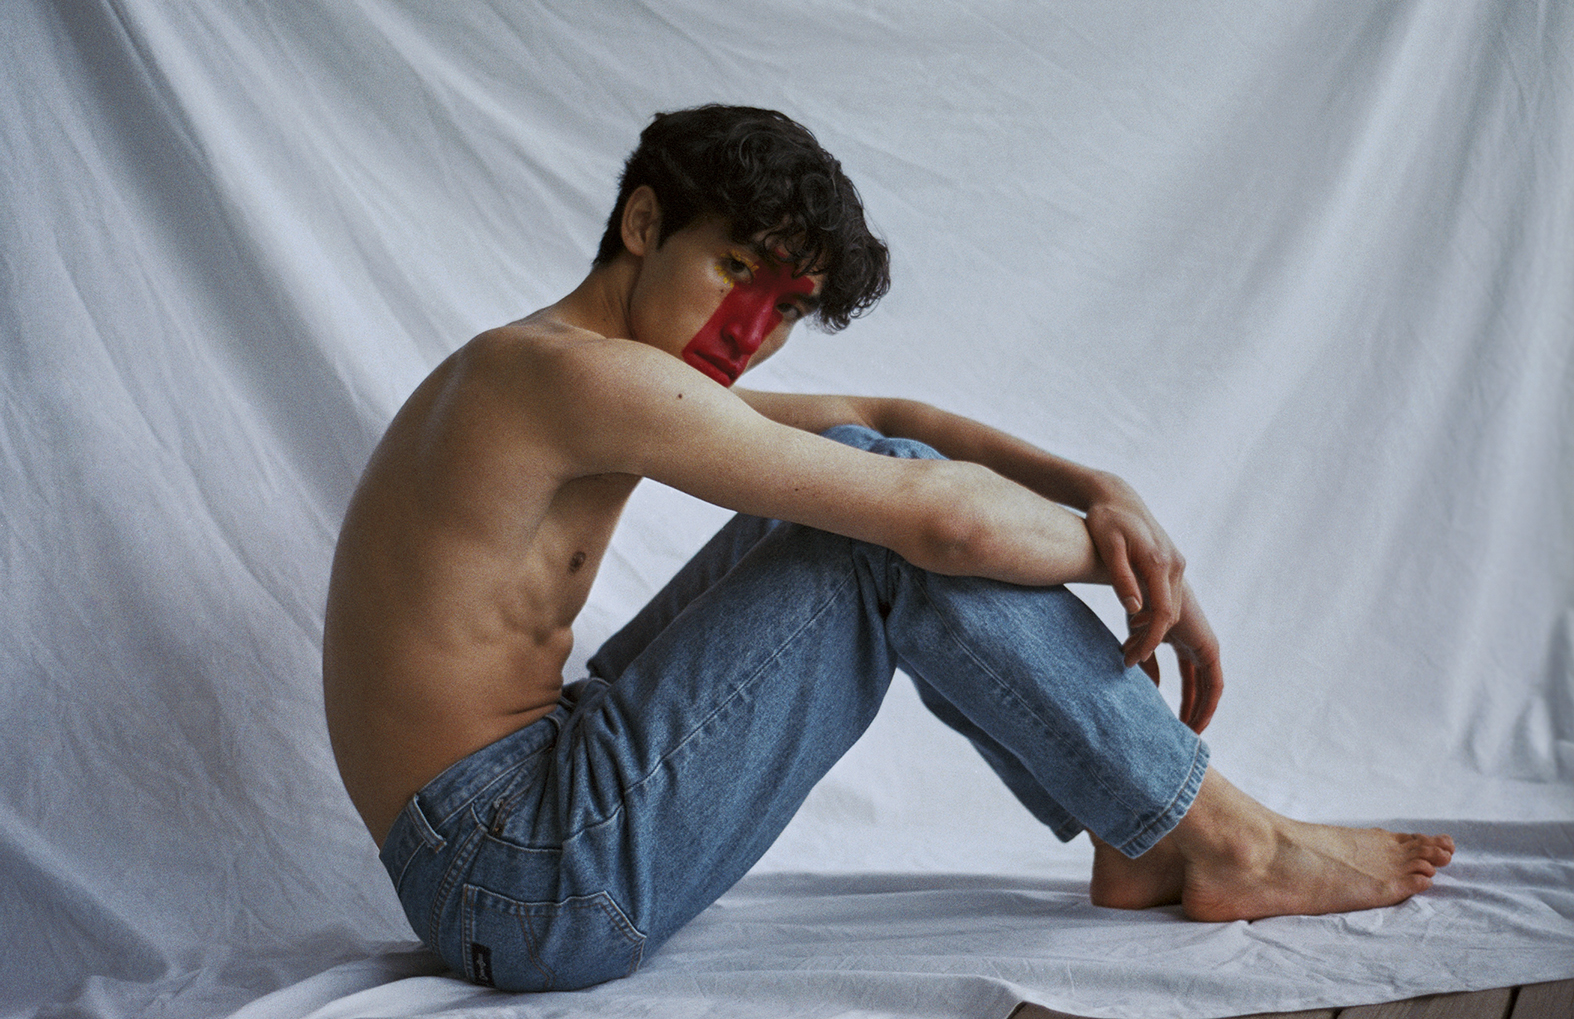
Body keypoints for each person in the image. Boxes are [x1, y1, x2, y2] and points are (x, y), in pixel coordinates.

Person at [322, 104, 1454, 992]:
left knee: (864, 470)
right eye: (737, 271)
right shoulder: (571, 377)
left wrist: (1100, 490)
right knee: (876, 535)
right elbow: (941, 521)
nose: (748, 333)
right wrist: (1134, 564)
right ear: (643, 224)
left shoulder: (558, 364)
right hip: (522, 878)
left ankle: (1146, 835)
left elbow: (885, 417)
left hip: (510, 838)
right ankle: (1218, 839)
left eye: (786, 306)